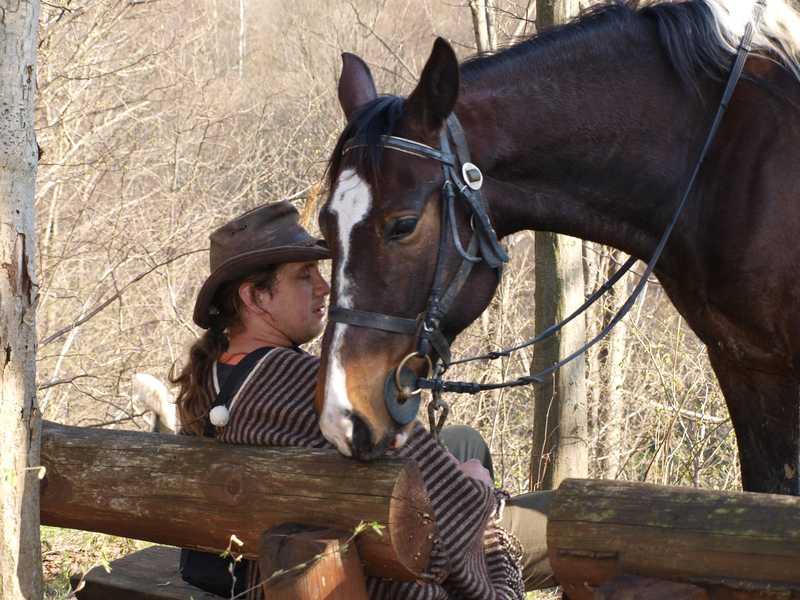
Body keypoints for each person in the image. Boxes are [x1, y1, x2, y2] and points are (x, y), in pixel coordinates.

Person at [173, 201, 554, 600]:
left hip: (272, 561)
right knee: (587, 520)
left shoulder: (215, 378)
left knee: (463, 440)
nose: (324, 287)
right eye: (305, 276)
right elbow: (443, 509)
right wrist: (478, 494)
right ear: (256, 297)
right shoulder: (305, 381)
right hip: (371, 569)